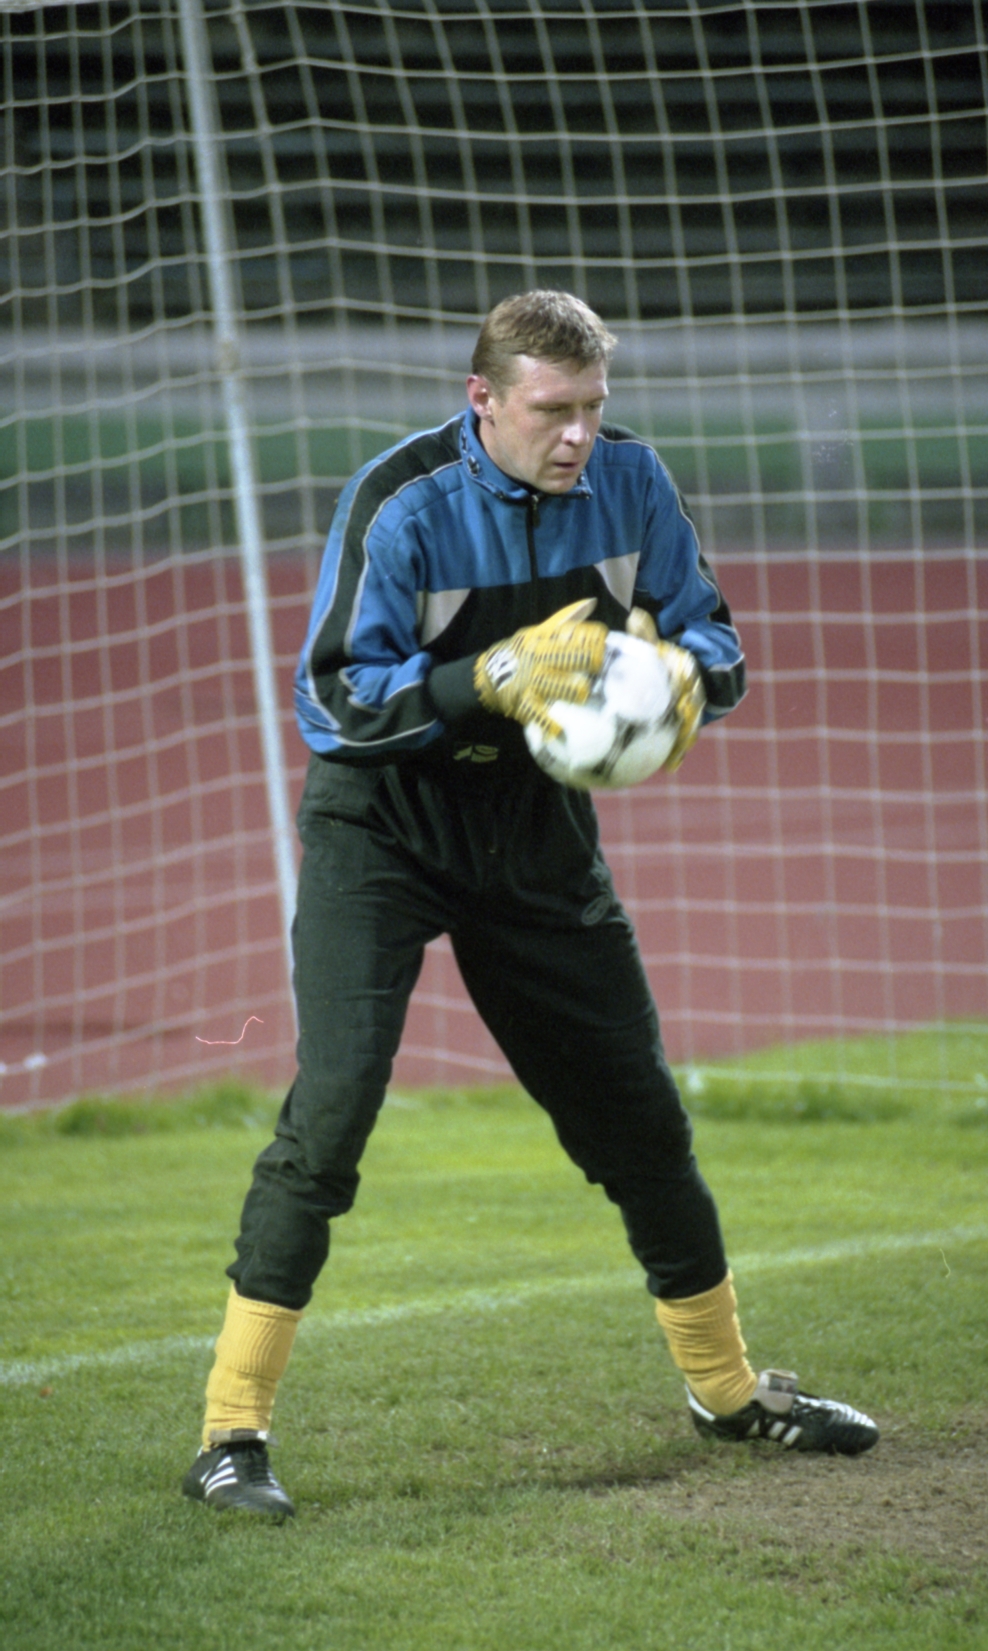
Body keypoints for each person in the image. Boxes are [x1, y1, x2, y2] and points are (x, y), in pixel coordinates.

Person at [182, 291, 878, 1519]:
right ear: (483, 400)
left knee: (640, 1121)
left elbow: (717, 640)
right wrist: (485, 674)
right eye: (553, 410)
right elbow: (332, 701)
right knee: (330, 1115)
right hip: (383, 827)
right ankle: (229, 1435)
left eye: (593, 408)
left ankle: (727, 1394)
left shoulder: (633, 484)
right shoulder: (401, 502)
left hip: (534, 832)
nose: (577, 436)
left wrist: (681, 677)